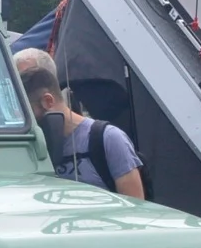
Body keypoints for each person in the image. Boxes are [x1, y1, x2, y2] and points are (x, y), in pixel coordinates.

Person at [19, 66, 145, 198]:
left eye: (27, 112)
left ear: (48, 101)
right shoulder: (33, 146)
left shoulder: (108, 138)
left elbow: (135, 205)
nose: (24, 119)